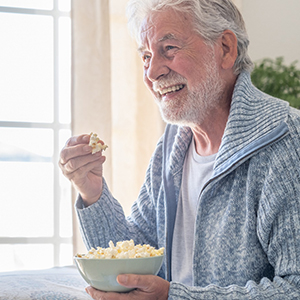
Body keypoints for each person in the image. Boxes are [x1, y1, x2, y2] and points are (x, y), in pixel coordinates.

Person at [59, 0, 300, 299]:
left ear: (225, 48)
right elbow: (136, 259)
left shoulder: (286, 140)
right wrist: (92, 192)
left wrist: (173, 297)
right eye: (146, 55)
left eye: (168, 49)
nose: (151, 73)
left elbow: (295, 287)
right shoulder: (174, 143)